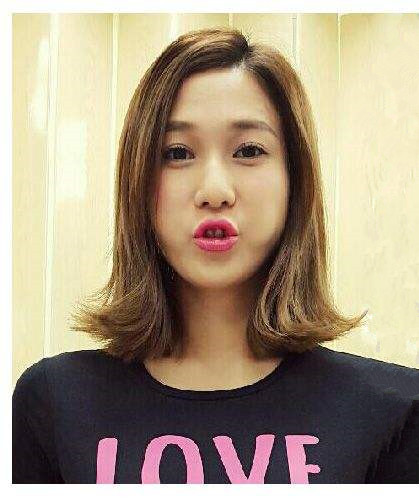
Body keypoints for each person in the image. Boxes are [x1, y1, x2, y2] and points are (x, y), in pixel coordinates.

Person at [13, 27, 419, 484]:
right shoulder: (55, 404)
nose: (214, 190)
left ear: (295, 179)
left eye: (248, 151)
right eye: (177, 153)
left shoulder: (394, 414)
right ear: (137, 180)